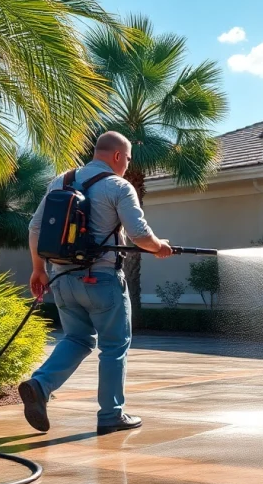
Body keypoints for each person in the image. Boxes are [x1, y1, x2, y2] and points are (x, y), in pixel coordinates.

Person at [20, 132, 174, 435]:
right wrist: (160, 248)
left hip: (61, 278)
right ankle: (111, 415)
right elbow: (140, 234)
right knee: (114, 346)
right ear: (117, 156)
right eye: (128, 159)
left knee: (77, 339)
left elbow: (35, 227)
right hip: (101, 279)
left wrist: (38, 270)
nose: (128, 165)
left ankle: (40, 384)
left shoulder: (59, 182)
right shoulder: (118, 186)